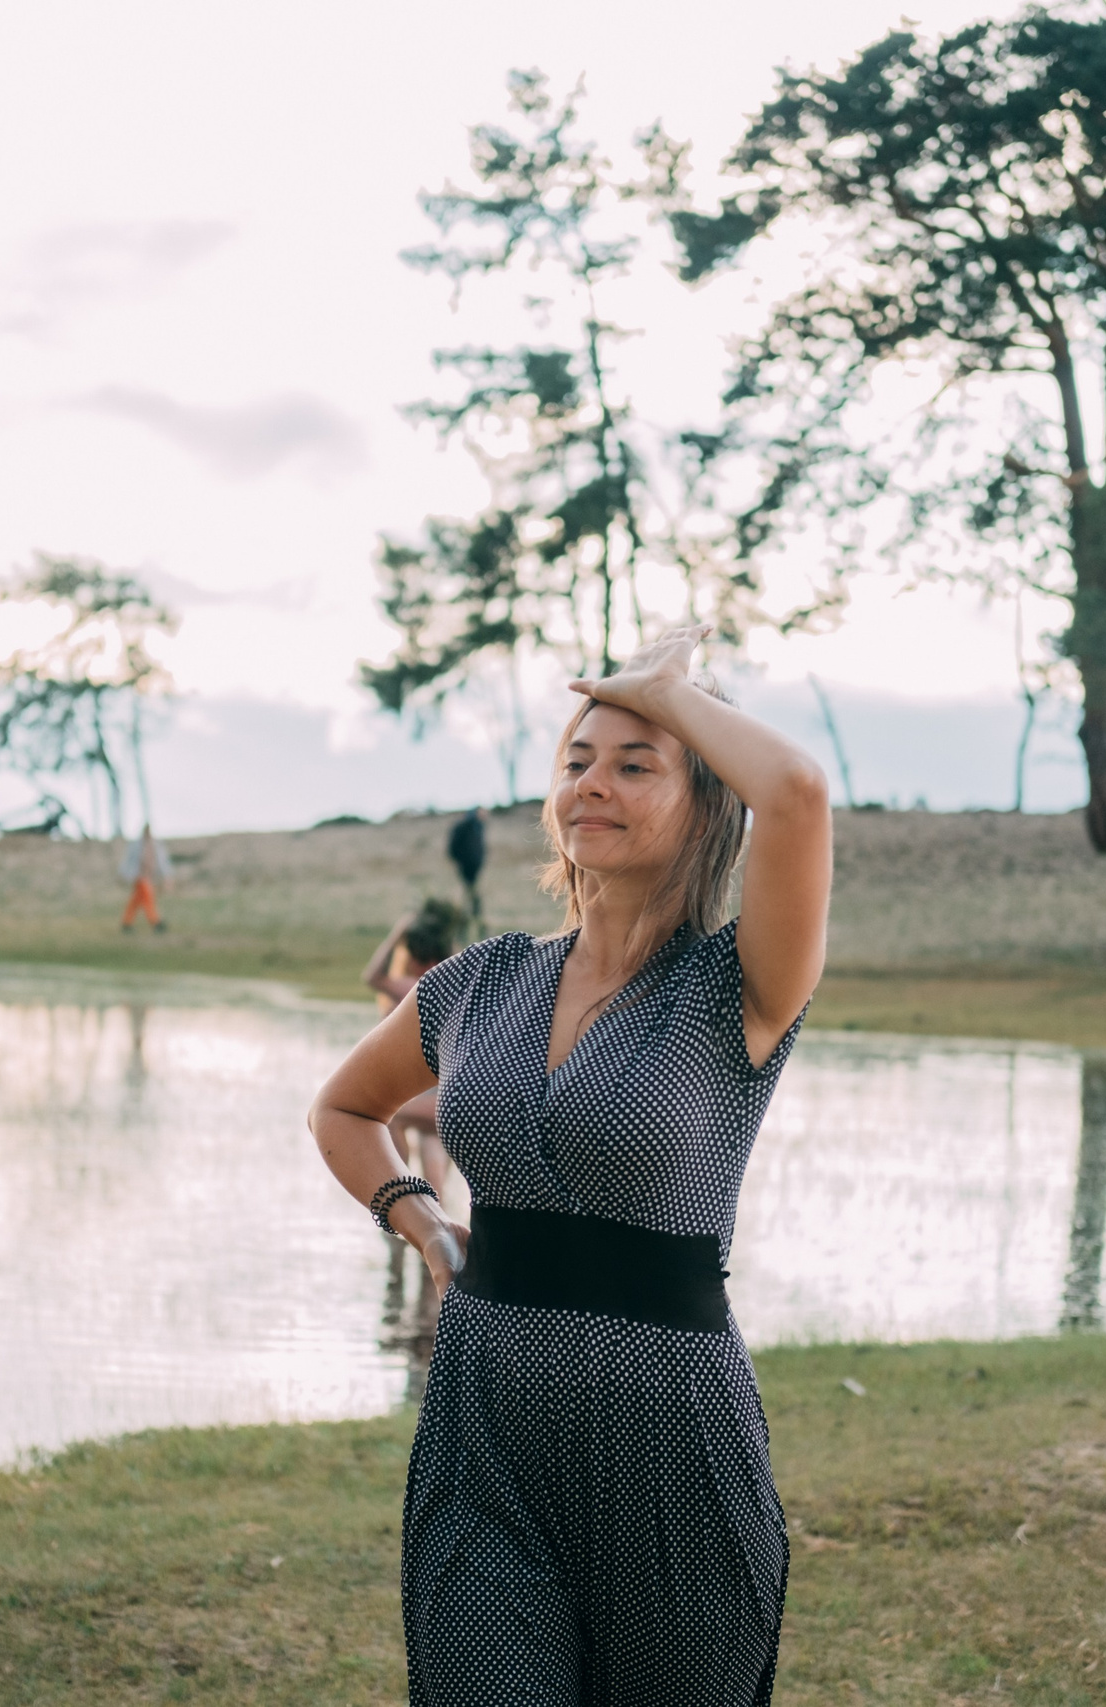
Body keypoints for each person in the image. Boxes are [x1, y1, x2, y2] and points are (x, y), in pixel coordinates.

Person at [309, 624, 832, 1706]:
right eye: (577, 761)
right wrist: (423, 1223)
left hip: (671, 1450)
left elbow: (795, 790)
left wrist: (664, 692)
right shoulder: (478, 984)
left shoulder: (736, 987)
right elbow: (343, 1107)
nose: (591, 783)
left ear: (704, 802)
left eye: (636, 765)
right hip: (483, 1434)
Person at [361, 898, 468, 1198]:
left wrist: (397, 935)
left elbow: (373, 977)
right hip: (441, 1100)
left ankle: (401, 1193)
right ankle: (431, 1235)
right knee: (435, 1184)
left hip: (432, 1101)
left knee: (390, 1116)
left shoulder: (417, 989)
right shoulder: (454, 988)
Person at [119, 821, 171, 932]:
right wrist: (124, 874)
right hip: (139, 876)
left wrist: (166, 875)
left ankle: (126, 923)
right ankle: (156, 922)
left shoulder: (155, 845)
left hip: (149, 876)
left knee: (136, 901)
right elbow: (129, 860)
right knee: (148, 898)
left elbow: (161, 861)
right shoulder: (137, 845)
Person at [445, 804, 486, 930]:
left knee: (469, 891)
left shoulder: (478, 827)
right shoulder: (464, 827)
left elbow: (479, 847)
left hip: (474, 866)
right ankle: (468, 916)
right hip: (466, 865)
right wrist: (460, 861)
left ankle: (470, 915)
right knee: (469, 892)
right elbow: (453, 848)